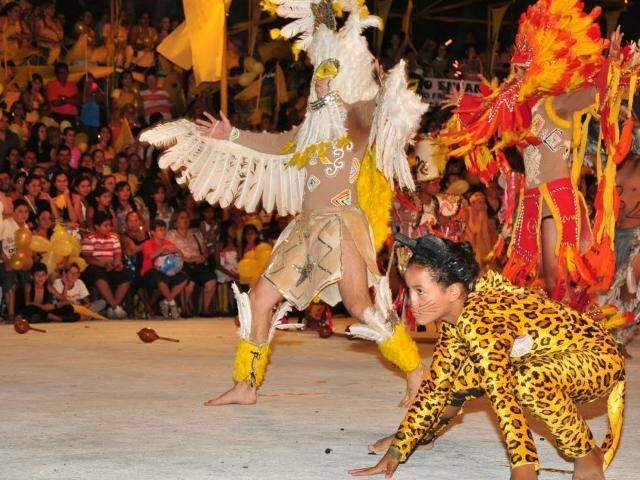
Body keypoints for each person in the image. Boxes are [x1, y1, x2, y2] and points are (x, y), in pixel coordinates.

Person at [142, 1, 429, 407]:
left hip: (342, 223)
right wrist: (232, 135)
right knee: (259, 299)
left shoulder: (357, 119)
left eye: (330, 71)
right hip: (305, 226)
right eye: (319, 72)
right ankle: (246, 384)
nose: (321, 80)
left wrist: (382, 84)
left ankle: (416, 372)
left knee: (360, 307)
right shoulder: (308, 130)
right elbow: (275, 144)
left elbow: (388, 109)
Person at [349, 234, 625, 480]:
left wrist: (523, 466)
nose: (412, 301)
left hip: (595, 359)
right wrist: (400, 447)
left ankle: (587, 454)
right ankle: (423, 436)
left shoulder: (481, 323)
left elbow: (501, 395)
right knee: (452, 377)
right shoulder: (454, 321)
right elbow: (434, 388)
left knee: (527, 380)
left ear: (454, 291)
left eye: (420, 291)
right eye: (409, 291)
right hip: (543, 356)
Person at [440, 3, 637, 310]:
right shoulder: (521, 109)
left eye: (522, 68)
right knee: (535, 277)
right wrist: (465, 104)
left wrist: (611, 63)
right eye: (514, 68)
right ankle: (557, 334)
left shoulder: (557, 103)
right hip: (531, 199)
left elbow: (597, 92)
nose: (515, 74)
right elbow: (490, 113)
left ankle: (570, 334)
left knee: (555, 274)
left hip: (556, 198)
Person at [81, 211, 131, 319]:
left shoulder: (114, 237)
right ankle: (115, 307)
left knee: (127, 273)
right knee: (97, 273)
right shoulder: (89, 238)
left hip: (111, 266)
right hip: (96, 267)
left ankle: (113, 307)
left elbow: (117, 254)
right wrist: (103, 264)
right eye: (105, 226)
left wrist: (117, 263)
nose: (109, 228)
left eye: (110, 225)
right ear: (97, 226)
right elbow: (88, 258)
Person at [168, 209, 217, 316]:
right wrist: (188, 259)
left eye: (187, 217)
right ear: (175, 222)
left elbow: (204, 250)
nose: (185, 220)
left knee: (211, 281)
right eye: (182, 218)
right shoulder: (171, 234)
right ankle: (184, 310)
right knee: (188, 284)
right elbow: (170, 252)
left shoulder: (195, 233)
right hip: (181, 263)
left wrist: (203, 257)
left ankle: (205, 310)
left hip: (198, 264)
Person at [140, 219, 189, 318]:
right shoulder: (147, 243)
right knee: (159, 276)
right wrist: (162, 249)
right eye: (160, 229)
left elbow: (181, 257)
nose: (163, 231)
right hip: (150, 272)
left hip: (167, 271)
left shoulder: (168, 243)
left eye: (164, 229)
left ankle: (167, 300)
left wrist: (178, 251)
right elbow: (151, 256)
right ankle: (172, 303)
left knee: (184, 277)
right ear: (152, 232)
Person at [1, 199, 31, 321]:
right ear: (13, 212)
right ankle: (11, 314)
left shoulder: (26, 228)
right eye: (20, 211)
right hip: (3, 261)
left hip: (19, 262)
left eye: (26, 211)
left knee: (28, 278)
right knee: (10, 277)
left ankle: (25, 312)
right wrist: (7, 262)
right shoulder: (5, 224)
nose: (24, 214)